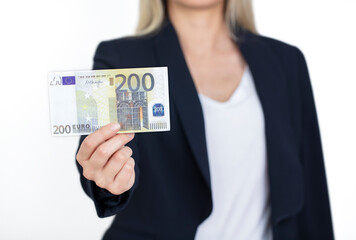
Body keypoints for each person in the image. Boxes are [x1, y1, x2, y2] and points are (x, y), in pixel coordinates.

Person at [75, 0, 334, 239]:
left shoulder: (286, 63)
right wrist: (109, 179)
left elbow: (312, 196)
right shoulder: (123, 60)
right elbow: (105, 160)